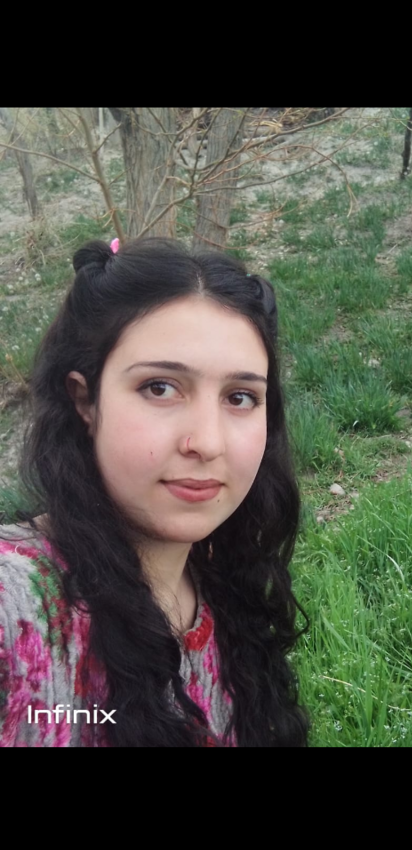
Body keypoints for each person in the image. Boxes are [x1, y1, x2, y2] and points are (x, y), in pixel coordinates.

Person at [0, 238, 309, 747]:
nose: (207, 442)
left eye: (239, 397)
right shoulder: (16, 608)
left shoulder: (230, 591)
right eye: (160, 388)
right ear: (85, 401)